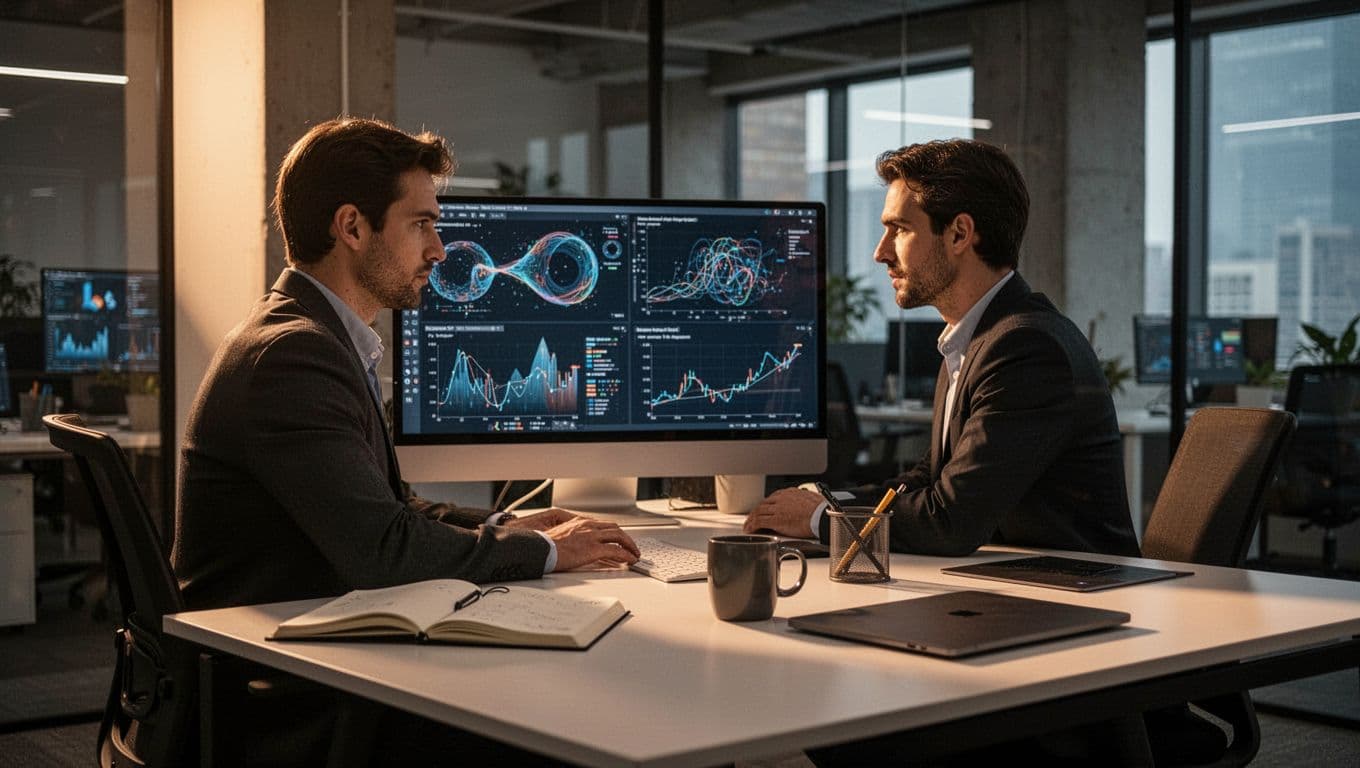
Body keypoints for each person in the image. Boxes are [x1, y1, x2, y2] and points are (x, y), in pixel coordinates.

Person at [173, 118, 637, 765]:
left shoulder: (314, 337)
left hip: (319, 648)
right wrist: (542, 554)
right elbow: (382, 551)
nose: (440, 249)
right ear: (353, 228)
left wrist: (511, 523)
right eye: (421, 223)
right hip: (285, 693)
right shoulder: (293, 355)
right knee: (570, 719)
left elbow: (387, 508)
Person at [746, 138, 1139, 559]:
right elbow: (929, 481)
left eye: (899, 229)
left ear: (959, 233)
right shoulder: (976, 339)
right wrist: (823, 497)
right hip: (1019, 588)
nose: (881, 252)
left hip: (1077, 596)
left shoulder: (1026, 347)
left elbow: (950, 520)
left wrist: (819, 518)